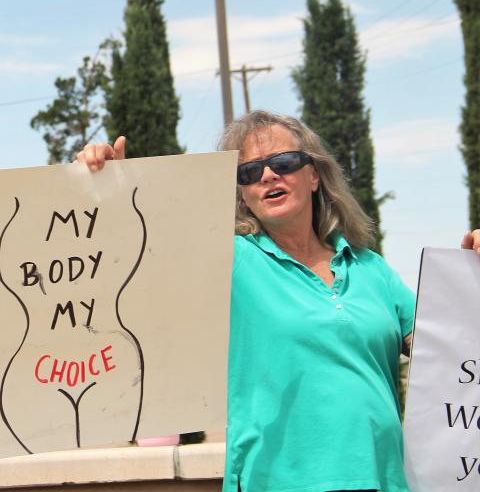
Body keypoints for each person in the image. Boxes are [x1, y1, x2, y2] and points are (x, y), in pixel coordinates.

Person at [78, 111, 475, 492]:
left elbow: (452, 355)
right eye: (250, 172)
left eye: (284, 162)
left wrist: (472, 276)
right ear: (243, 195)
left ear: (314, 176)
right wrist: (107, 186)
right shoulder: (227, 261)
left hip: (383, 480)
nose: (268, 175)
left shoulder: (372, 269)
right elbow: (137, 256)